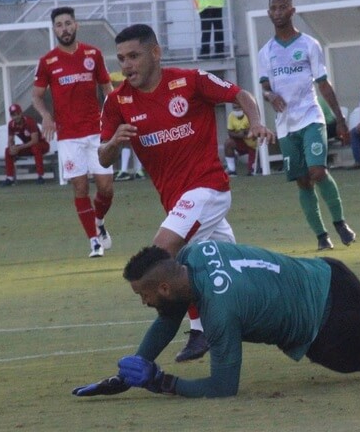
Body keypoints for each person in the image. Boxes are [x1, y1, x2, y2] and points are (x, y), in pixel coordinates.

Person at [70, 241, 360, 399]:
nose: (143, 302)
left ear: (162, 287)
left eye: (143, 295)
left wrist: (162, 382)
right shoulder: (193, 255)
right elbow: (168, 319)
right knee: (348, 316)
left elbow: (223, 388)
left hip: (328, 326)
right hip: (334, 274)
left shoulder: (220, 315)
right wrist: (125, 375)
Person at [98, 24, 276, 362]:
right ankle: (343, 311)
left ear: (155, 53)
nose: (127, 65)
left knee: (163, 252)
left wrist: (255, 121)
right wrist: (113, 143)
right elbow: (102, 157)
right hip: (179, 203)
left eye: (134, 56)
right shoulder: (117, 102)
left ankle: (198, 329)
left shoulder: (190, 80)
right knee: (240, 273)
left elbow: (241, 95)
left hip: (208, 188)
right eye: (121, 58)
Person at [259, 0, 357, 251]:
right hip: (285, 125)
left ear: (292, 11)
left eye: (283, 7)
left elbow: (323, 84)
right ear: (269, 14)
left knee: (317, 171)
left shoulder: (309, 45)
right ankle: (322, 236)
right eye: (274, 8)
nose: (278, 12)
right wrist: (270, 95)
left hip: (311, 117)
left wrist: (340, 120)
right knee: (303, 181)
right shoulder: (265, 52)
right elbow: (265, 86)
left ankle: (340, 223)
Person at [33, 6, 115, 259]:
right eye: (59, 25)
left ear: (76, 25)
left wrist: (115, 114)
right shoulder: (47, 61)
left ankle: (99, 220)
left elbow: (106, 87)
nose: (64, 28)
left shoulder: (93, 54)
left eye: (68, 23)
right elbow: (36, 96)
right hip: (68, 135)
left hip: (96, 131)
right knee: (80, 188)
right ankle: (94, 241)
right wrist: (46, 115)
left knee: (106, 188)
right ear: (54, 29)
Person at [0, 103, 50, 186]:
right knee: (8, 151)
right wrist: (11, 147)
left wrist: (19, 148)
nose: (16, 117)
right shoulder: (11, 124)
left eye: (17, 114)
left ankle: (40, 176)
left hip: (42, 145)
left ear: (21, 113)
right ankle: (9, 178)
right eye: (13, 115)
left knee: (35, 148)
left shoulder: (29, 121)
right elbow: (10, 139)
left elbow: (35, 140)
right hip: (28, 146)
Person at [108, 72, 144, 182]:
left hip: (131, 109)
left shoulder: (113, 77)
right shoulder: (131, 76)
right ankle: (136, 171)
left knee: (132, 141)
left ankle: (128, 171)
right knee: (131, 141)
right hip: (127, 110)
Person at [224, 107, 257, 176]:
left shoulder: (249, 114)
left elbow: (255, 130)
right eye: (234, 108)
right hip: (242, 142)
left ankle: (257, 164)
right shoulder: (231, 116)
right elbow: (230, 132)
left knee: (252, 171)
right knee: (228, 143)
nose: (237, 110)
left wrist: (245, 131)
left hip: (254, 145)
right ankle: (231, 170)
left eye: (238, 107)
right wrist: (240, 134)